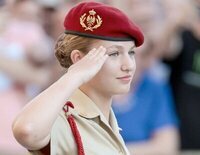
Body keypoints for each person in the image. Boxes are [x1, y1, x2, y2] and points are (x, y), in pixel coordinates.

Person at [12, 2, 144, 155]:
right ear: (79, 59)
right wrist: (74, 75)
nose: (128, 65)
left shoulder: (107, 120)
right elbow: (27, 131)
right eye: (114, 54)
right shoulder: (64, 118)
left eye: (131, 53)